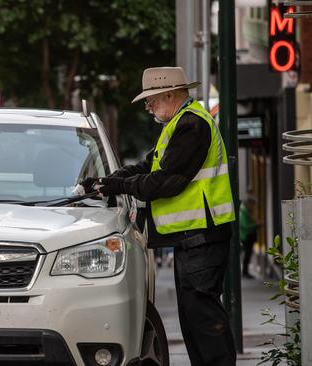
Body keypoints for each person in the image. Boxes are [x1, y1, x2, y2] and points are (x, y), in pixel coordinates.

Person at [81, 67, 237, 365]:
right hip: (193, 238)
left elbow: (165, 181)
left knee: (204, 320)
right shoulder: (177, 124)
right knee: (194, 320)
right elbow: (146, 166)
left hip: (201, 237)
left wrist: (116, 184)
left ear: (169, 94)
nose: (148, 107)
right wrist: (108, 180)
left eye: (151, 100)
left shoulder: (193, 126)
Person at [239, 196, 258, 279]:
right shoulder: (243, 212)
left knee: (247, 255)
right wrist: (256, 225)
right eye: (252, 204)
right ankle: (245, 272)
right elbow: (245, 226)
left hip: (248, 236)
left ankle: (245, 272)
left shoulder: (246, 211)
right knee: (247, 255)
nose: (253, 207)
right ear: (248, 203)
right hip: (246, 236)